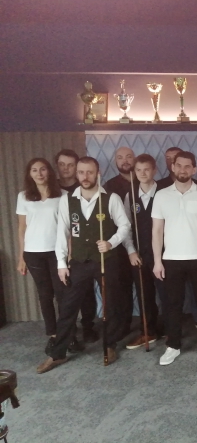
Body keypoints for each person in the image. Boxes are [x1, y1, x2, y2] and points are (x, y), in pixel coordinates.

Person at [37, 157, 131, 373]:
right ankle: (58, 353)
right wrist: (61, 263)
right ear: (77, 174)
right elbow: (62, 232)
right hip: (79, 262)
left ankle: (110, 345)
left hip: (106, 260)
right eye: (81, 172)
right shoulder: (67, 200)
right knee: (68, 307)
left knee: (111, 305)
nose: (85, 176)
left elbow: (124, 225)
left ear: (98, 173)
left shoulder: (111, 198)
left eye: (89, 172)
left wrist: (111, 242)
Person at [152, 151, 197, 365]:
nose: (183, 169)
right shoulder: (161, 195)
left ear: (194, 169)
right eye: (179, 165)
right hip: (171, 259)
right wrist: (157, 261)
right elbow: (157, 231)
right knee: (173, 305)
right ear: (173, 167)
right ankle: (173, 345)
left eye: (187, 166)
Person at [16, 158, 66, 355]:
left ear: (49, 172)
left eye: (43, 169)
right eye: (34, 170)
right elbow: (22, 228)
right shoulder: (23, 197)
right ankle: (53, 335)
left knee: (62, 295)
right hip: (33, 253)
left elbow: (69, 228)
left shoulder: (63, 195)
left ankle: (67, 333)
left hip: (57, 252)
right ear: (30, 174)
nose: (39, 173)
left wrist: (68, 254)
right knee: (45, 295)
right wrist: (21, 257)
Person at [54, 149, 98, 344]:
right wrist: (62, 260)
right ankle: (66, 338)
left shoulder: (97, 193)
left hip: (87, 254)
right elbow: (63, 229)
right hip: (66, 253)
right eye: (62, 164)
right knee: (67, 298)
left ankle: (89, 327)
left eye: (70, 165)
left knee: (87, 294)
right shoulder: (58, 192)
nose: (66, 168)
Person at [122, 154, 163, 349]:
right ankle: (148, 331)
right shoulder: (130, 194)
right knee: (144, 295)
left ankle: (172, 331)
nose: (143, 173)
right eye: (138, 170)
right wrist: (131, 251)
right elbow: (126, 227)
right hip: (139, 254)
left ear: (154, 170)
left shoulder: (165, 192)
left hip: (163, 254)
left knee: (167, 295)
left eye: (146, 169)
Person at [104, 146, 136, 338]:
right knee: (122, 289)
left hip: (145, 244)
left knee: (147, 288)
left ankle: (149, 326)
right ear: (115, 161)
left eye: (129, 157)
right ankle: (123, 325)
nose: (125, 161)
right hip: (118, 247)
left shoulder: (145, 181)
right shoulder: (109, 186)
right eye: (120, 157)